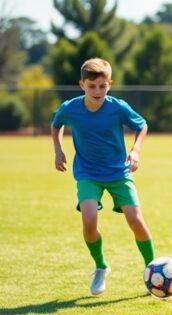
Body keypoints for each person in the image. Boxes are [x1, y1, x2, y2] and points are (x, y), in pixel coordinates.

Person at [51, 58, 155, 296]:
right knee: (89, 219)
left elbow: (142, 125)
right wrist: (58, 150)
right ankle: (101, 266)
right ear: (82, 85)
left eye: (102, 86)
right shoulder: (70, 108)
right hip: (88, 173)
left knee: (136, 220)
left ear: (109, 84)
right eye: (92, 86)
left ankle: (152, 269)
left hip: (119, 171)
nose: (97, 91)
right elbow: (56, 124)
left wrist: (136, 150)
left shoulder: (118, 107)